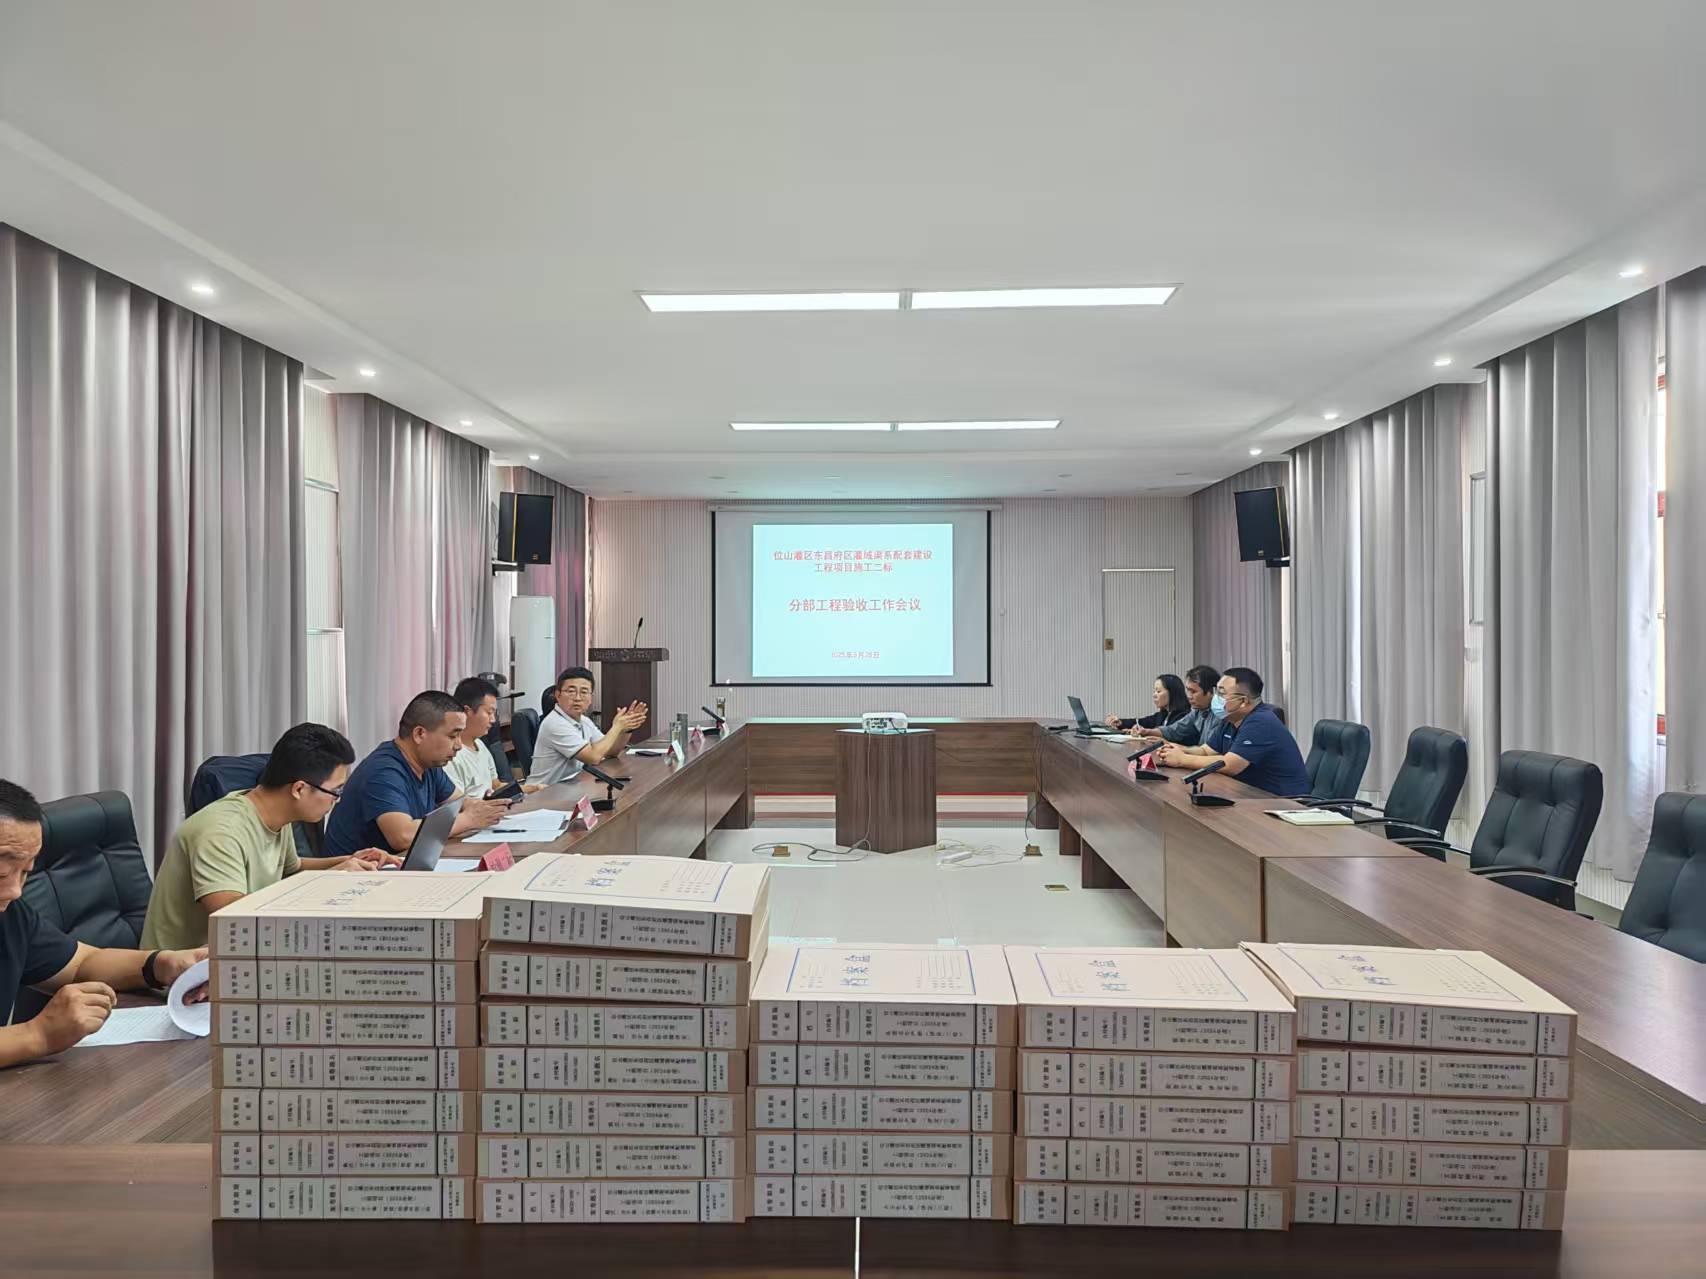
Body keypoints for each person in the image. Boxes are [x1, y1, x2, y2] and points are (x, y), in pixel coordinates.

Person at [0, 779, 208, 1068]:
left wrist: (161, 964)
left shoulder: (10, 914)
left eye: (25, 872)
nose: (15, 891)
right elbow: (37, 1034)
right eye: (2, 873)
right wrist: (37, 1035)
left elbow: (81, 964)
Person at [141, 724, 400, 951]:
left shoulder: (273, 813)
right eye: (335, 792)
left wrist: (352, 861)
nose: (338, 800)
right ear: (299, 789)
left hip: (243, 953)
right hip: (183, 973)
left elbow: (292, 868)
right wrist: (331, 878)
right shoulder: (220, 831)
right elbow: (233, 916)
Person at [323, 691, 510, 856]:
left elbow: (460, 803)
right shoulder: (383, 771)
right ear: (420, 734)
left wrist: (486, 806)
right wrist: (469, 819)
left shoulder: (429, 765)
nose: (459, 745)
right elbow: (403, 836)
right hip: (355, 876)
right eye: (453, 736)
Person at [1154, 666, 1310, 796]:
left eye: (1222, 693)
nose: (1216, 698)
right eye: (1216, 692)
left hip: (1284, 802)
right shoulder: (1230, 719)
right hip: (1251, 795)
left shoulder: (1261, 721)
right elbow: (1206, 751)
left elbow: (1230, 765)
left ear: (1243, 701)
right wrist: (1179, 749)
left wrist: (1182, 759)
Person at [527, 666, 648, 786]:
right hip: (545, 793)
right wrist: (617, 727)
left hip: (570, 787)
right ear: (558, 695)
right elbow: (593, 757)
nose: (577, 698)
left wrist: (626, 729)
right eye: (571, 692)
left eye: (584, 692)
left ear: (591, 698)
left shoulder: (584, 721)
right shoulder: (555, 723)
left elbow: (610, 752)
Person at [444, 676, 539, 798]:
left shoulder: (480, 745)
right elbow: (459, 804)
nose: (493, 720)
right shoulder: (451, 755)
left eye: (494, 713)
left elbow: (496, 786)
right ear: (467, 711)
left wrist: (534, 788)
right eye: (489, 712)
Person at [1129, 664, 1226, 748]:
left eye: (1193, 692)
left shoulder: (1220, 714)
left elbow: (1208, 751)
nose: (1189, 696)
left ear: (1211, 692)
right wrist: (1147, 732)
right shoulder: (1197, 711)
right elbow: (1174, 730)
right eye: (1188, 690)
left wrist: (1170, 745)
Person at [1105, 674, 1190, 732]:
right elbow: (1141, 722)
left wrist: (1144, 733)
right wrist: (1120, 722)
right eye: (1154, 691)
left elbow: (1170, 737)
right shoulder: (1162, 715)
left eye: (1158, 691)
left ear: (1172, 693)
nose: (1154, 695)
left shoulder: (1184, 716)